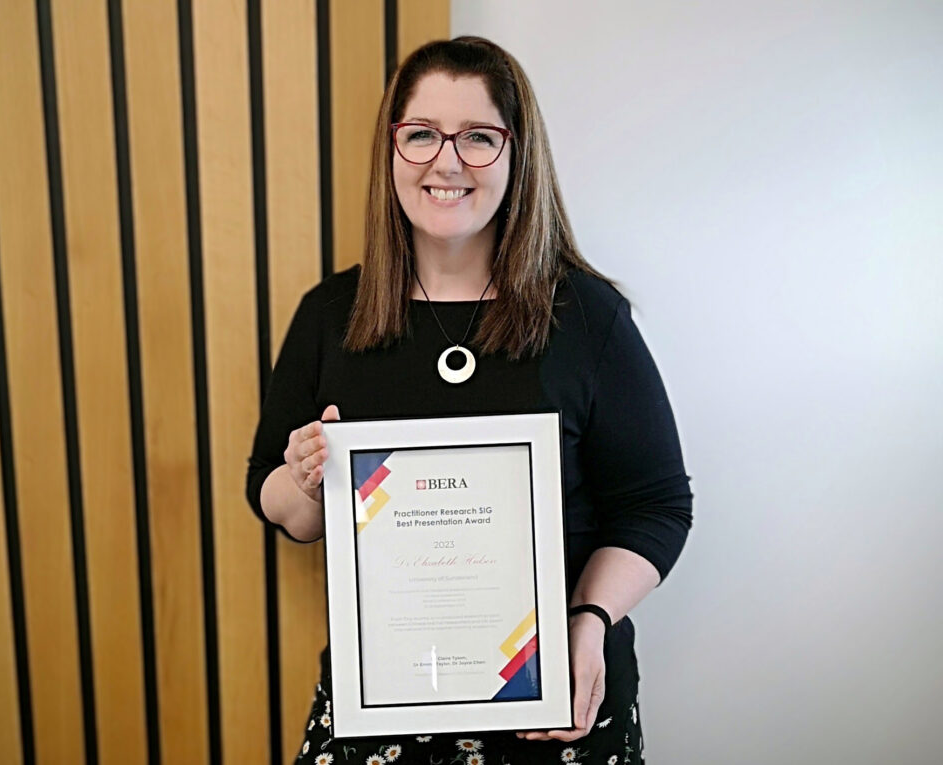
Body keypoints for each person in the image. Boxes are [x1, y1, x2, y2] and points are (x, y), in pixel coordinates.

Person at [245, 35, 692, 765]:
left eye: (478, 137)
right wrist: (303, 479)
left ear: (517, 155)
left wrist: (589, 617)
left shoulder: (586, 316)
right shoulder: (331, 315)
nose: (446, 162)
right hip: (383, 699)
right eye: (421, 134)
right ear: (391, 149)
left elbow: (657, 504)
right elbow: (281, 507)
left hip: (554, 701)